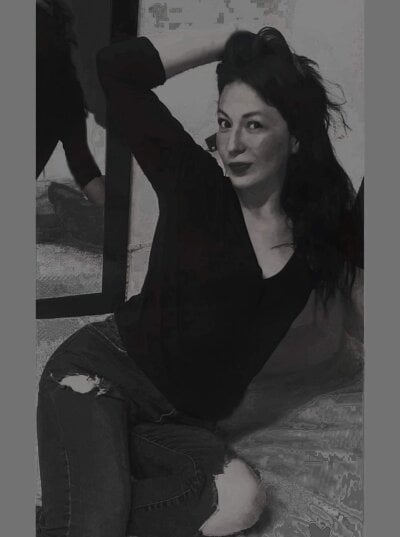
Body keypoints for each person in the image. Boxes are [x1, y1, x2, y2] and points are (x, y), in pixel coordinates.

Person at [36, 26, 363, 537]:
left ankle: (64, 511)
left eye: (254, 125)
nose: (232, 145)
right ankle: (82, 510)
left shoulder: (321, 233)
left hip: (177, 424)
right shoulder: (194, 185)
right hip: (100, 376)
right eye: (225, 122)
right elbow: (117, 70)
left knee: (241, 502)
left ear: (296, 137)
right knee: (96, 523)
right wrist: (230, 41)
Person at [36, 0, 105, 206]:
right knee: (82, 165)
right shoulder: (53, 15)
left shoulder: (36, 17)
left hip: (46, 103)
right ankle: (113, 217)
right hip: (69, 99)